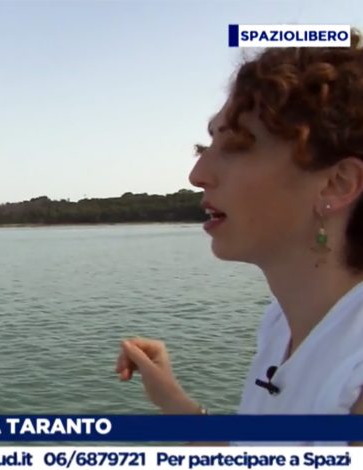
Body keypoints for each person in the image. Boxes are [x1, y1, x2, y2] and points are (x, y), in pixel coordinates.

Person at [116, 32, 363, 445]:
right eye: (205, 145)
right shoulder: (281, 324)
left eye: (236, 146)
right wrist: (173, 401)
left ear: (336, 184)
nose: (197, 175)